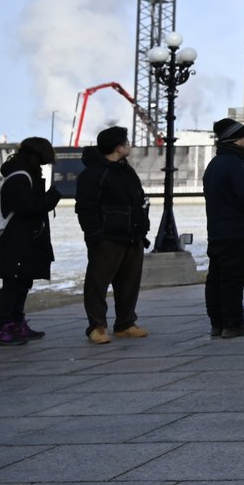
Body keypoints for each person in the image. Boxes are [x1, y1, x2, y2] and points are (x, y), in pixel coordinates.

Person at [74, 126, 150, 344]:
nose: (129, 145)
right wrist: (96, 236)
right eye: (126, 142)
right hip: (107, 238)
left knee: (129, 283)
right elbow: (86, 208)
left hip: (132, 236)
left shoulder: (126, 170)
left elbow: (137, 200)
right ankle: (97, 326)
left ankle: (125, 323)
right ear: (118, 147)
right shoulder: (94, 173)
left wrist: (142, 229)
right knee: (98, 283)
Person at [202, 118, 244, 338]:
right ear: (235, 140)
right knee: (234, 280)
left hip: (217, 232)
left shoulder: (214, 165)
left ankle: (217, 324)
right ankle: (232, 324)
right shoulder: (235, 165)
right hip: (237, 233)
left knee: (216, 278)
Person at [0, 137, 61, 346]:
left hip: (26, 239)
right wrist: (52, 197)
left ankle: (16, 322)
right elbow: (27, 207)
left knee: (23, 282)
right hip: (17, 240)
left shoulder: (25, 174)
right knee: (13, 284)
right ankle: (3, 325)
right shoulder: (20, 177)